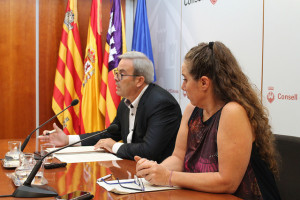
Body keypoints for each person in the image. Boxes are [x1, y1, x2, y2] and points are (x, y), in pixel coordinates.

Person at [135, 42, 281, 199]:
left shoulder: (233, 112)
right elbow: (178, 158)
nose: (183, 87)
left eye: (185, 79)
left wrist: (168, 177)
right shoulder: (192, 110)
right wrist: (154, 172)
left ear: (204, 82)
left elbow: (227, 182)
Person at [41, 51, 182, 163]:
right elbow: (109, 134)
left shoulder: (161, 104)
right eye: (116, 73)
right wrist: (68, 140)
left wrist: (113, 146)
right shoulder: (125, 103)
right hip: (133, 171)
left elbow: (150, 151)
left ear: (139, 80)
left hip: (160, 180)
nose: (115, 78)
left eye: (121, 74)